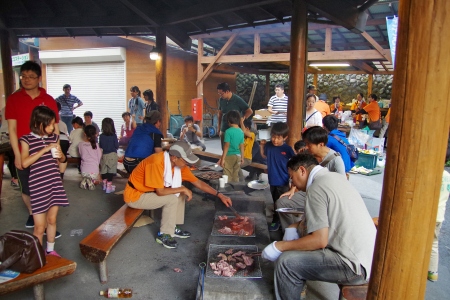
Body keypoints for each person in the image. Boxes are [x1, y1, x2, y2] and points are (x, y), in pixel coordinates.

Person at [262, 153, 376, 300]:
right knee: (296, 249)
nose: (292, 183)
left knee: (287, 263)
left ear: (302, 170)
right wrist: (294, 226)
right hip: (367, 258)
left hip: (354, 265)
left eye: (292, 177)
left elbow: (319, 240)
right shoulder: (334, 178)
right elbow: (317, 221)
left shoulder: (316, 188)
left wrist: (280, 246)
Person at [124, 141, 232, 249]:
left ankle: (172, 226)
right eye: (186, 161)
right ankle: (164, 234)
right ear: (174, 158)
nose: (189, 164)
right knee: (172, 198)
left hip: (149, 193)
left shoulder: (179, 166)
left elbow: (198, 183)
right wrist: (183, 188)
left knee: (179, 193)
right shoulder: (156, 162)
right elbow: (160, 192)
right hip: (136, 196)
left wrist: (219, 195)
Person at [5, 61, 61, 229]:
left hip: (45, 152)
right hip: (25, 151)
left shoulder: (48, 100)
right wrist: (16, 154)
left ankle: (48, 220)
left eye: (31, 77)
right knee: (27, 188)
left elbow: (55, 128)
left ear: (39, 78)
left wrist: (56, 152)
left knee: (48, 186)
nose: (26, 80)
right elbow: (12, 129)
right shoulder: (14, 99)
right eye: (23, 76)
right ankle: (33, 213)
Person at [20, 106, 69, 256]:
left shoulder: (55, 137)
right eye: (48, 124)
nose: (51, 127)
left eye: (53, 124)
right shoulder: (26, 140)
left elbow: (61, 159)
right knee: (39, 227)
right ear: (37, 123)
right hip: (38, 186)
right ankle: (37, 255)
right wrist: (44, 149)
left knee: (52, 220)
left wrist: (61, 155)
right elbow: (24, 163)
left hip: (54, 183)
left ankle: (50, 250)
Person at [259, 122, 295, 232]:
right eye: (273, 137)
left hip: (283, 181)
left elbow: (295, 163)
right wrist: (261, 146)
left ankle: (278, 220)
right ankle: (278, 218)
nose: (275, 140)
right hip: (272, 180)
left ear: (285, 137)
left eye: (278, 138)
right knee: (275, 200)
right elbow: (264, 155)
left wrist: (293, 183)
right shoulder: (269, 146)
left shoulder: (287, 149)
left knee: (280, 202)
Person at [428, 168, 450, 282]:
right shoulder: (447, 175)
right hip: (440, 214)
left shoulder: (434, 174)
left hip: (430, 214)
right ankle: (433, 272)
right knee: (434, 243)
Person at [217, 82, 253, 148]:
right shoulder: (221, 100)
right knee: (224, 148)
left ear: (227, 91)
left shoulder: (237, 100)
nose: (220, 95)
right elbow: (220, 114)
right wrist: (219, 127)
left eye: (221, 93)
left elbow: (249, 111)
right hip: (224, 128)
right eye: (218, 93)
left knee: (234, 148)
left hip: (235, 129)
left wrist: (242, 118)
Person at [218, 111, 244, 183]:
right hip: (238, 156)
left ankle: (228, 190)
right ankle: (235, 188)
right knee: (235, 174)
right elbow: (242, 145)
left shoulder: (228, 131)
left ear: (229, 121)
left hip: (229, 156)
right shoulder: (241, 131)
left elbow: (226, 146)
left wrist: (222, 158)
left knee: (227, 174)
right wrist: (242, 157)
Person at [79, 125, 102, 190]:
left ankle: (86, 180)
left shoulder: (80, 144)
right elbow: (99, 157)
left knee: (86, 172)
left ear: (84, 134)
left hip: (84, 171)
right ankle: (91, 181)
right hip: (94, 172)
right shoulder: (96, 145)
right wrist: (99, 174)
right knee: (98, 181)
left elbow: (81, 155)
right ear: (95, 134)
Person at [99, 118, 119, 193]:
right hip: (112, 155)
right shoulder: (114, 136)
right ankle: (109, 186)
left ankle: (104, 185)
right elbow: (116, 146)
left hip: (104, 155)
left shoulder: (101, 136)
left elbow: (100, 145)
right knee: (111, 171)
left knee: (104, 170)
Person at [56, 102, 70, 179]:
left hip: (55, 139)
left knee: (54, 157)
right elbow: (66, 133)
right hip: (64, 139)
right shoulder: (63, 123)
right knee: (63, 156)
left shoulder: (49, 118)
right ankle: (61, 175)